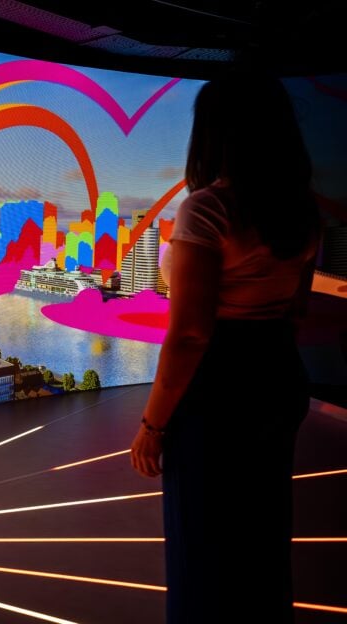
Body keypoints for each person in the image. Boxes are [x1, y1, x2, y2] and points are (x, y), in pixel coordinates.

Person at [129, 71, 320, 623]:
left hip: (218, 390)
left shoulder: (209, 208)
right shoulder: (301, 211)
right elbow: (295, 309)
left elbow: (191, 334)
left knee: (203, 545)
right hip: (279, 373)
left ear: (214, 133)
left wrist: (152, 426)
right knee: (263, 537)